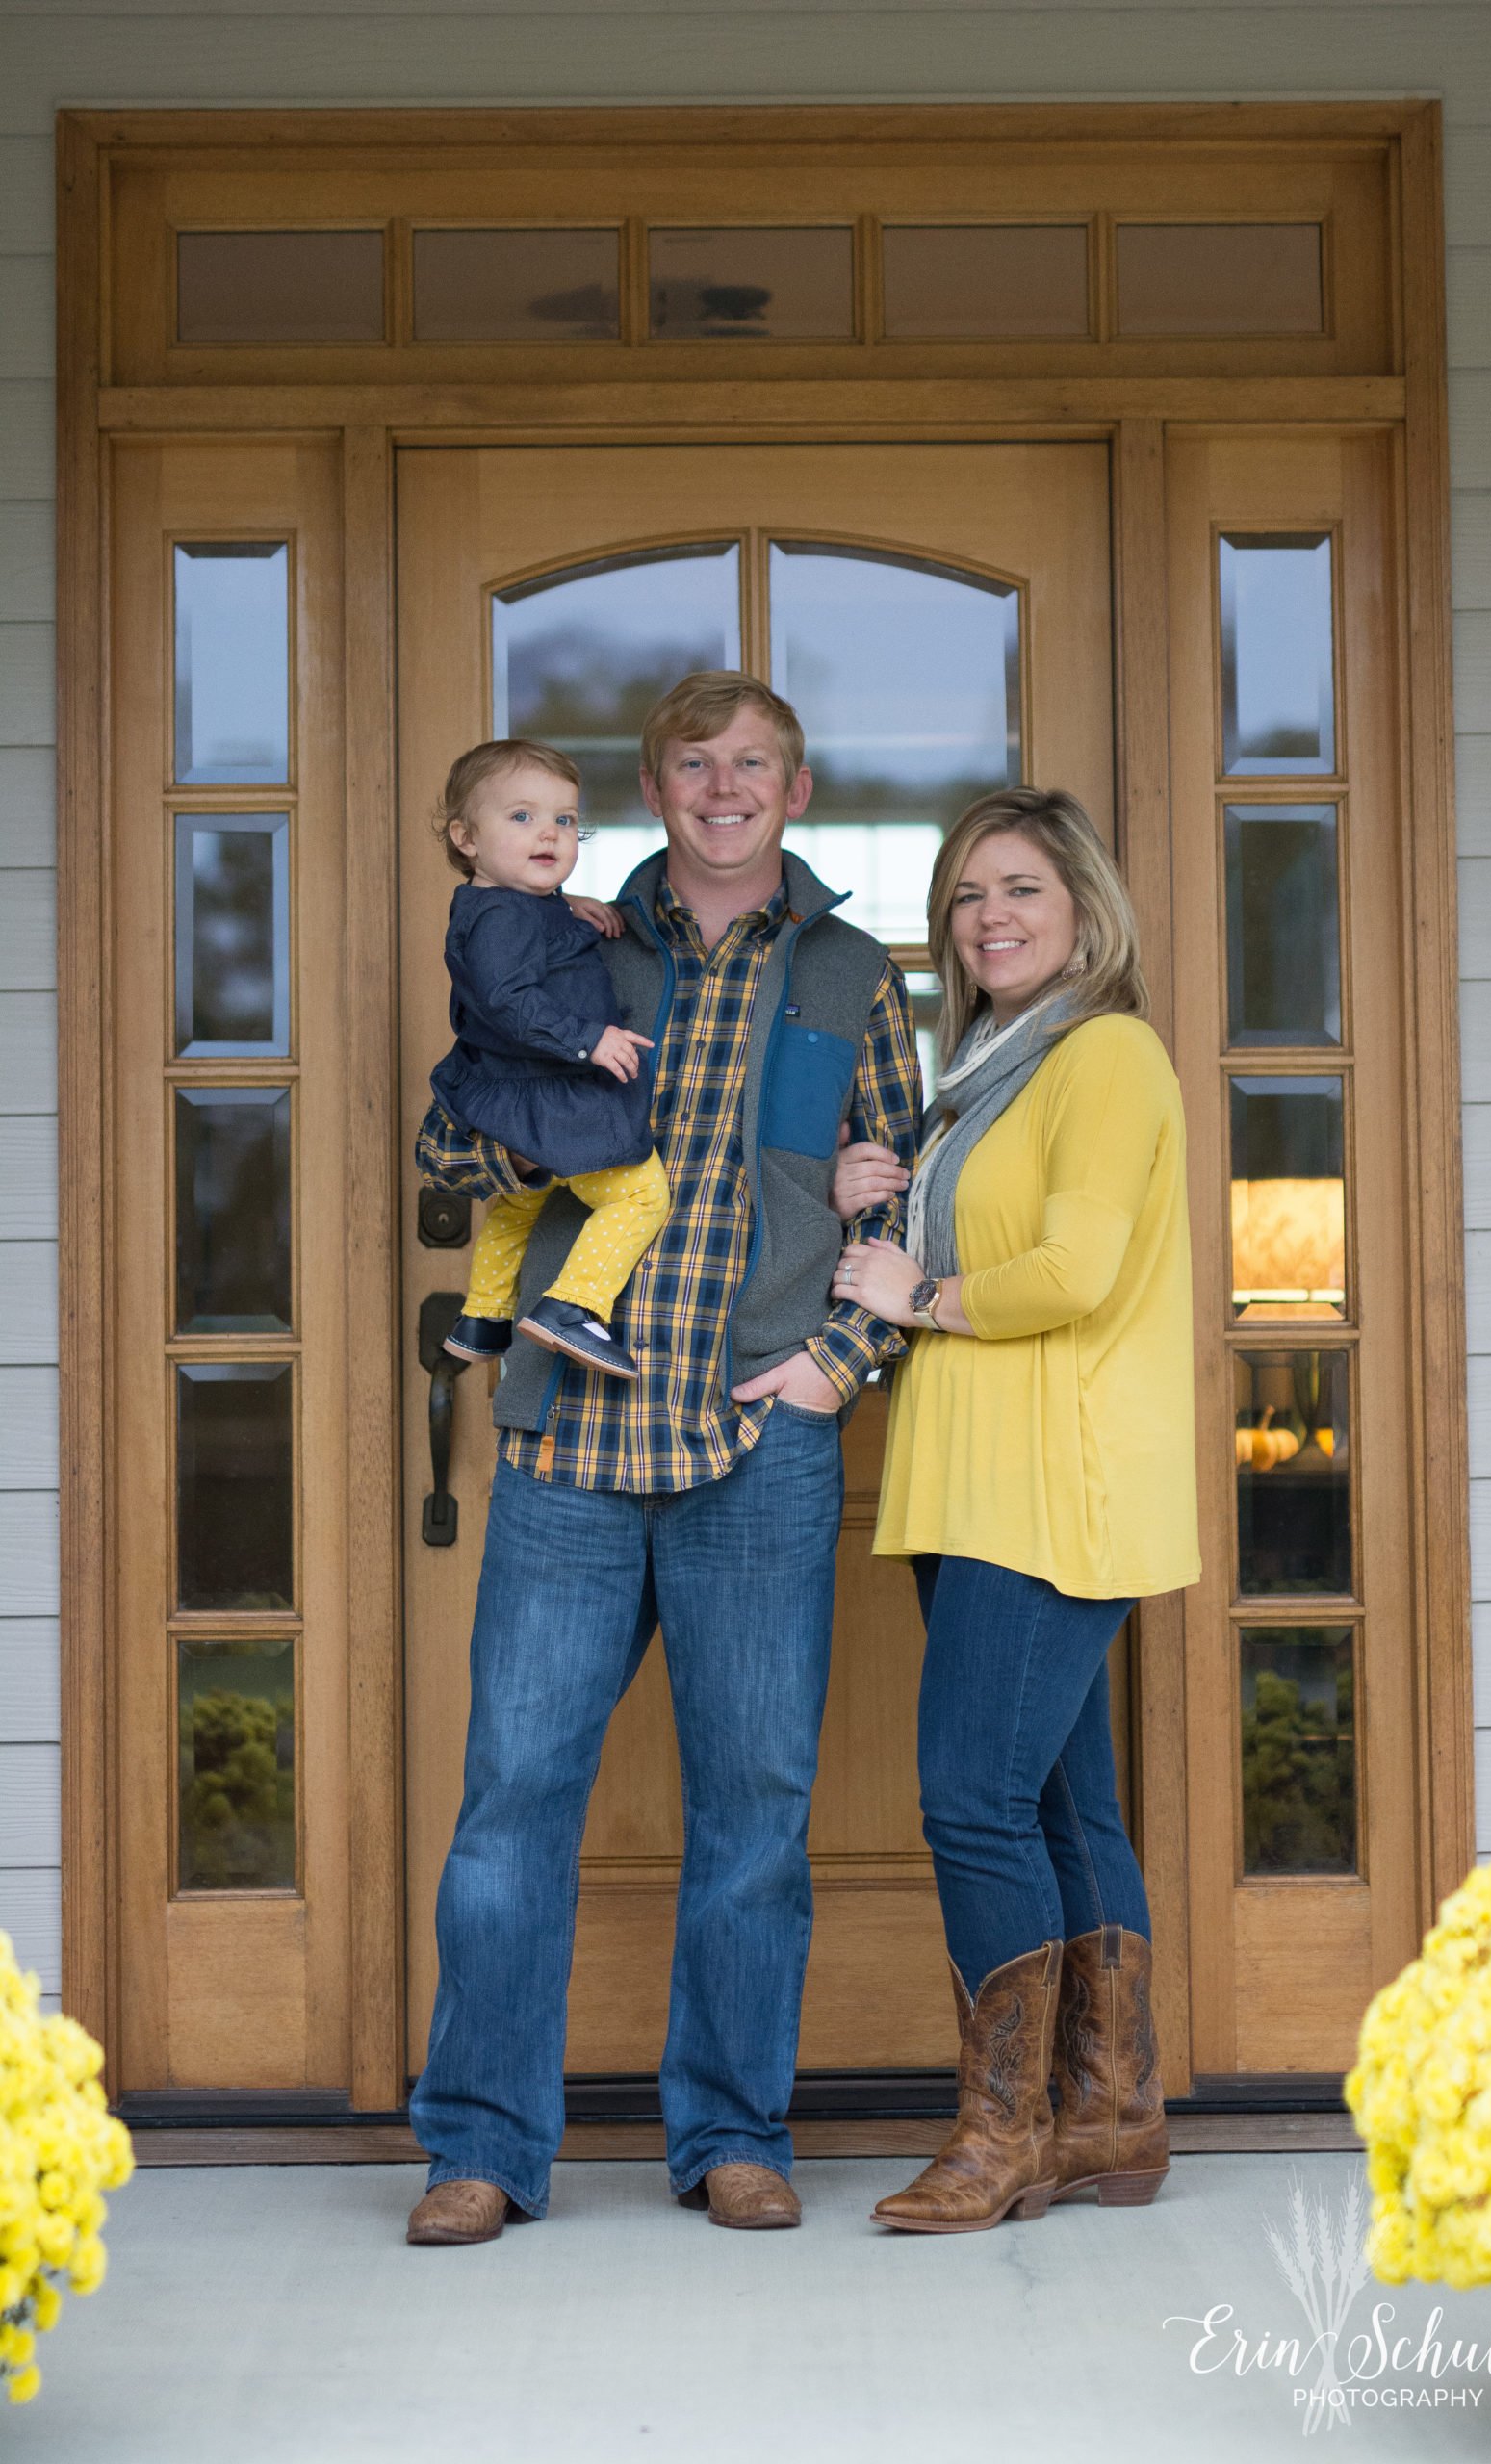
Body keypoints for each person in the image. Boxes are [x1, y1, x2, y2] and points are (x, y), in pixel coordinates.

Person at [404, 673, 921, 2245]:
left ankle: (732, 2134)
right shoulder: (571, 941)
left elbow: (908, 1193)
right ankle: (479, 2149)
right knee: (512, 1802)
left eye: (752, 763)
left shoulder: (849, 975)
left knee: (755, 1814)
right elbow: (444, 1141)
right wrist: (533, 1139)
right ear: (657, 786)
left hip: (756, 1449)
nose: (723, 787)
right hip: (572, 1443)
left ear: (795, 789)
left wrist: (837, 1365)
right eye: (694, 764)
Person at [827, 785, 1199, 2234]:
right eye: (967, 896)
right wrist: (877, 1191)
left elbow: (1072, 1272)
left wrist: (914, 1291)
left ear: (1085, 910)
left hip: (1050, 1480)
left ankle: (1003, 2133)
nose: (989, 917)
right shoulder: (986, 1073)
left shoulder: (1102, 1052)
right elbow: (975, 1230)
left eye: (1021, 889)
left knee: (971, 1800)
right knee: (1059, 1800)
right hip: (983, 1474)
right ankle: (1109, 2118)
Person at [424, 737, 670, 1379]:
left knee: (519, 1205)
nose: (549, 833)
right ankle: (573, 1306)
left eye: (565, 819)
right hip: (549, 1090)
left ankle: (483, 1316)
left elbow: (524, 933)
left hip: (516, 1090)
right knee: (641, 1193)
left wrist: (566, 906)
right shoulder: (503, 920)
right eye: (521, 816)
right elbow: (507, 999)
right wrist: (589, 1040)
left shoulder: (505, 905)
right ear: (465, 838)